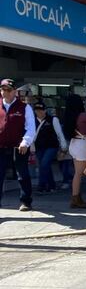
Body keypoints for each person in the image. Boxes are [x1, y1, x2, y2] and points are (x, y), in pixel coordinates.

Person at [0, 78, 36, 211]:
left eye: (8, 90)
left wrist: (25, 142)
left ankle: (26, 201)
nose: (5, 92)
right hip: (1, 145)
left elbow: (30, 127)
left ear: (15, 91)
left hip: (18, 145)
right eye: (3, 90)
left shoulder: (24, 107)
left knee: (22, 174)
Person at [62, 94, 86, 209]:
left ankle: (76, 197)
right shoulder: (82, 115)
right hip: (82, 144)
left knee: (78, 173)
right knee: (78, 174)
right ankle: (75, 198)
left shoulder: (69, 116)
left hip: (74, 143)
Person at [32, 102, 68, 194]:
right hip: (39, 147)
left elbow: (59, 133)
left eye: (41, 110)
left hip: (51, 146)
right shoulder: (32, 120)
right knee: (44, 165)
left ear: (45, 110)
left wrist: (64, 147)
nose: (39, 112)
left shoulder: (52, 119)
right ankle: (51, 185)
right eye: (37, 110)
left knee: (44, 163)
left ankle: (41, 185)